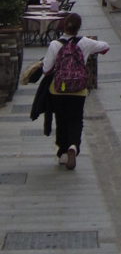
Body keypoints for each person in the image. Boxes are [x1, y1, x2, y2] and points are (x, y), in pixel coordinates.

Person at [41, 12, 109, 169]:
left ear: (64, 26)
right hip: (78, 89)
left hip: (59, 89)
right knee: (76, 119)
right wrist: (91, 50)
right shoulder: (85, 42)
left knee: (61, 119)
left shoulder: (54, 44)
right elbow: (105, 47)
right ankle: (74, 146)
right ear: (79, 27)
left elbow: (46, 70)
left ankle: (63, 152)